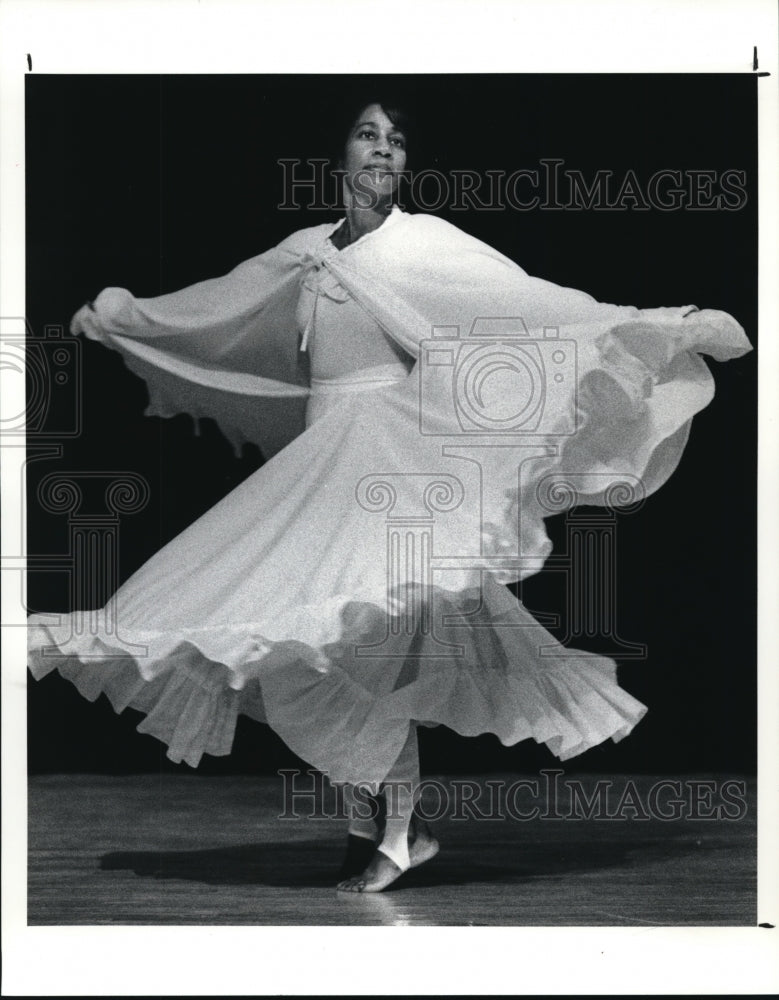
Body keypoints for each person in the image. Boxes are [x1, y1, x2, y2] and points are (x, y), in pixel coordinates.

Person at [27, 99, 752, 893]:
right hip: (319, 464)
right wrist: (123, 317)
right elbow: (214, 309)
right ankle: (373, 820)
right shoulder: (303, 253)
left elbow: (528, 306)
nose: (384, 150)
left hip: (389, 462)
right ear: (337, 153)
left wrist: (643, 325)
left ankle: (399, 830)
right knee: (293, 639)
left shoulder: (425, 244)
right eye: (368, 135)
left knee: (368, 638)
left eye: (397, 140)